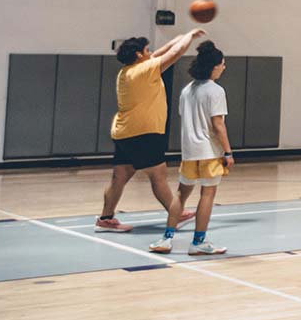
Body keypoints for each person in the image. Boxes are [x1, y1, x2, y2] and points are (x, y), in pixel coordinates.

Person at [97, 30, 201, 234]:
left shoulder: (127, 71)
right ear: (138, 54)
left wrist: (179, 37)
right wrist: (189, 35)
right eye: (146, 49)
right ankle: (176, 213)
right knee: (158, 174)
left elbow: (161, 52)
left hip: (124, 131)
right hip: (142, 132)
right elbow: (175, 54)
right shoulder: (145, 70)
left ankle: (106, 219)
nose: (150, 52)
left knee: (120, 176)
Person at [155, 42, 230, 256]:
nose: (223, 68)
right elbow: (218, 125)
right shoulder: (215, 91)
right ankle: (198, 242)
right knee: (207, 195)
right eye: (222, 64)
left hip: (189, 151)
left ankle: (166, 238)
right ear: (213, 66)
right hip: (209, 152)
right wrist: (228, 151)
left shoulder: (187, 90)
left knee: (181, 194)